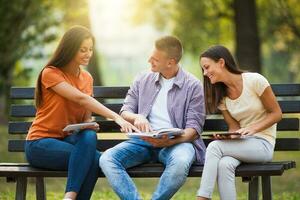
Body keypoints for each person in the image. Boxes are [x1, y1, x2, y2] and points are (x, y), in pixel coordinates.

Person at [25, 25, 138, 200]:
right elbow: (81, 99)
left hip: (69, 139)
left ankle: (70, 197)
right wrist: (117, 117)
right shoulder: (51, 73)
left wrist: (88, 123)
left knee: (89, 136)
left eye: (91, 49)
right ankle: (70, 196)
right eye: (83, 50)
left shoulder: (87, 78)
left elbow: (86, 114)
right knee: (93, 159)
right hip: (40, 143)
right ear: (70, 49)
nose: (88, 54)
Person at [100, 36, 206, 200]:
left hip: (176, 143)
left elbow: (193, 130)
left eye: (155, 59)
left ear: (170, 62)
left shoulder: (193, 86)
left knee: (180, 163)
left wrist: (168, 141)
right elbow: (125, 110)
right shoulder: (143, 79)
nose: (149, 60)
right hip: (143, 141)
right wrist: (137, 117)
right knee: (107, 159)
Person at [196, 45, 282, 200]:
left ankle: (203, 197)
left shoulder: (255, 80)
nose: (205, 73)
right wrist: (228, 137)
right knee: (224, 164)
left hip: (263, 144)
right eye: (203, 69)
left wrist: (252, 129)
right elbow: (234, 127)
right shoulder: (222, 95)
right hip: (243, 144)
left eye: (207, 67)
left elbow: (276, 114)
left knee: (215, 147)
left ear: (221, 62)